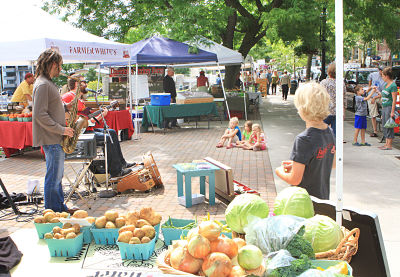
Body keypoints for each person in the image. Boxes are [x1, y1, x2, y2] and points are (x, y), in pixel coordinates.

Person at [61, 77, 134, 178]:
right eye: (83, 83)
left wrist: (99, 116)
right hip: (77, 133)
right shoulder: (69, 97)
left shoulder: (76, 98)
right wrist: (99, 117)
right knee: (107, 138)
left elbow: (87, 120)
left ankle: (122, 163)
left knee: (112, 132)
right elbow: (67, 115)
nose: (86, 85)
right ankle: (115, 171)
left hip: (84, 129)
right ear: (77, 85)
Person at [275, 82, 335, 200]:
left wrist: (279, 171)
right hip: (322, 198)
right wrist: (297, 164)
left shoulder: (304, 139)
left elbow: (295, 179)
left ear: (302, 108)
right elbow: (331, 163)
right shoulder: (330, 132)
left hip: (303, 202)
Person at [32, 49, 74, 212]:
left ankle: (59, 208)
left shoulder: (45, 82)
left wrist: (64, 106)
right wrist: (62, 130)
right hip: (53, 137)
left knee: (57, 177)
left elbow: (47, 107)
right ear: (53, 64)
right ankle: (52, 212)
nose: (61, 70)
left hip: (54, 137)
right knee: (53, 177)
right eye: (60, 66)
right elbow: (39, 114)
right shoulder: (43, 84)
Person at [320, 62, 346, 136]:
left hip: (325, 111)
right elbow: (344, 98)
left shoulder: (324, 83)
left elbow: (320, 97)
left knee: (321, 134)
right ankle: (334, 147)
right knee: (336, 135)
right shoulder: (341, 83)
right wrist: (343, 111)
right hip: (337, 112)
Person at [379, 67, 398, 150]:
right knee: (384, 125)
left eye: (383, 75)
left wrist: (392, 111)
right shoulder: (386, 85)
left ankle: (389, 145)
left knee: (389, 125)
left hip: (389, 107)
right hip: (384, 107)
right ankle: (386, 143)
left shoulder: (393, 85)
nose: (382, 77)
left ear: (387, 76)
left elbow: (394, 99)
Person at [366, 67, 385, 137]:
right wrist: (370, 87)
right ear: (380, 71)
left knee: (386, 106)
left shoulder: (386, 77)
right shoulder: (373, 75)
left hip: (380, 96)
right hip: (372, 96)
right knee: (373, 113)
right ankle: (375, 131)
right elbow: (369, 79)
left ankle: (383, 119)